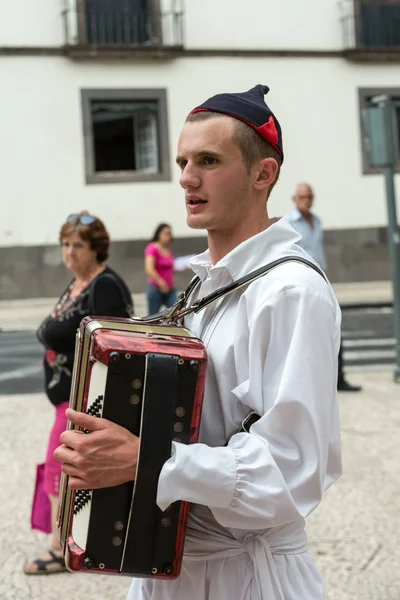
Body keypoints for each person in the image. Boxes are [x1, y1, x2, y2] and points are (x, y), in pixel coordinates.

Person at [55, 85, 342, 599]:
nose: (186, 178)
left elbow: (293, 471)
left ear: (263, 173)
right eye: (183, 161)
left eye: (209, 160)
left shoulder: (291, 291)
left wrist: (146, 461)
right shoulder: (201, 287)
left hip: (247, 578)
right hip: (169, 569)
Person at [24, 211, 133, 575]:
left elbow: (117, 345)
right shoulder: (78, 284)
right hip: (66, 397)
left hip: (85, 399)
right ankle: (70, 541)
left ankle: (60, 548)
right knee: (64, 467)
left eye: (79, 245)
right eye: (66, 244)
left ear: (95, 248)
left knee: (63, 467)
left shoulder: (104, 286)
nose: (70, 252)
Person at [287, 183, 362, 392]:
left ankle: (339, 378)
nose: (306, 200)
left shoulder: (317, 221)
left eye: (309, 196)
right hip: (301, 285)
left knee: (334, 327)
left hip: (321, 282)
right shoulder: (289, 224)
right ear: (294, 199)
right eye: (302, 196)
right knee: (304, 335)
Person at [144, 223, 177, 315]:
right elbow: (149, 269)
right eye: (165, 233)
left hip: (170, 288)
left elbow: (170, 268)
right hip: (156, 288)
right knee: (153, 316)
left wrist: (180, 268)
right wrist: (161, 283)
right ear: (158, 234)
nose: (168, 236)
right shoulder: (152, 248)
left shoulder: (168, 248)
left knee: (175, 313)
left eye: (169, 233)